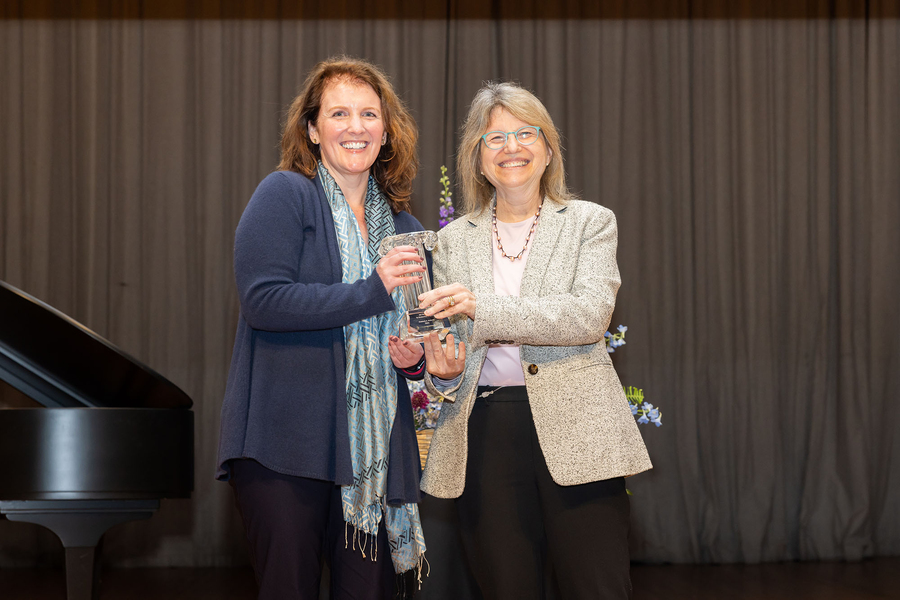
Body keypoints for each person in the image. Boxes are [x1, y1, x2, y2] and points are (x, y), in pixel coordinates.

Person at [417, 82, 653, 599]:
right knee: (505, 587)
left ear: (548, 150)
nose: (511, 148)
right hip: (486, 430)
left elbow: (586, 317)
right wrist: (442, 369)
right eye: (494, 139)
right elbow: (452, 339)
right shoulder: (453, 239)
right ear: (478, 161)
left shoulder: (591, 223)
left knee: (597, 586)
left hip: (579, 425)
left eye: (526, 134)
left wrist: (481, 308)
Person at [216, 56, 429, 600]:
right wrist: (370, 291)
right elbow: (263, 301)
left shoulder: (405, 229)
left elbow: (419, 335)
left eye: (368, 114)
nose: (355, 127)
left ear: (386, 132)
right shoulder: (285, 194)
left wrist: (418, 359)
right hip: (285, 448)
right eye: (339, 114)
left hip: (375, 458)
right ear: (312, 130)